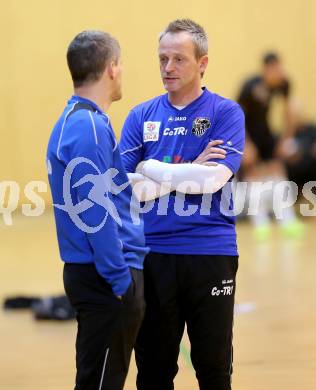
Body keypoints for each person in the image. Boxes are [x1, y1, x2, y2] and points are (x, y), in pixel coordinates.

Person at [119, 19, 245, 390]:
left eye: (178, 59)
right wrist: (188, 169)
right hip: (152, 255)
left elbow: (212, 179)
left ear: (202, 63)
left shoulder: (225, 113)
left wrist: (151, 166)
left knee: (214, 369)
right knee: (154, 372)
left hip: (210, 253)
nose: (167, 68)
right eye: (162, 59)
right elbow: (124, 188)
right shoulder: (141, 116)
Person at [46, 30, 148, 390]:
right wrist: (119, 280)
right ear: (111, 68)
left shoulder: (78, 120)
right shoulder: (87, 125)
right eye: (120, 63)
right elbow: (96, 212)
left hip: (95, 274)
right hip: (105, 277)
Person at [237, 52, 303, 238]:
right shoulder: (250, 86)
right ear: (266, 69)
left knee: (277, 168)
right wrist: (246, 145)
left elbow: (288, 110)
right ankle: (260, 223)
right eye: (274, 69)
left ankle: (287, 219)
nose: (278, 72)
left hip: (266, 134)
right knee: (254, 174)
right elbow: (237, 115)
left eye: (280, 68)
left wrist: (286, 139)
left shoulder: (284, 83)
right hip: (248, 134)